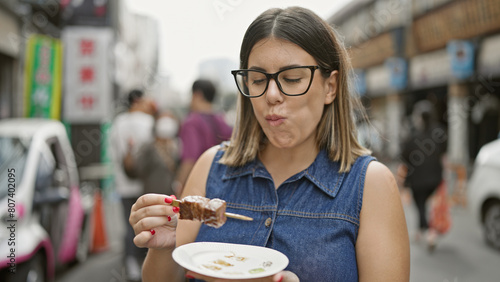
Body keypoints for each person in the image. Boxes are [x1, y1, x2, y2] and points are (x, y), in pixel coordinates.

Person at [130, 7, 410, 282]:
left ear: (330, 87)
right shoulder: (212, 167)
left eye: (291, 79)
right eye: (258, 80)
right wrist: (164, 249)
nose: (272, 95)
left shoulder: (369, 185)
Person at [109, 89, 157, 281]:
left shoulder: (117, 123)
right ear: (139, 100)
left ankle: (131, 266)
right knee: (149, 224)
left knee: (129, 225)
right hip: (146, 186)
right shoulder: (149, 122)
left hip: (123, 185)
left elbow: (113, 153)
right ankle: (148, 264)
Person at [399, 100, 447, 251]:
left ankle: (427, 232)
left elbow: (404, 158)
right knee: (433, 206)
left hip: (417, 180)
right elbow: (444, 153)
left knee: (420, 206)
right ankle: (426, 231)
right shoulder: (439, 132)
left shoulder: (412, 136)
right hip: (435, 178)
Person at [174, 79, 233, 195]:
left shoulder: (192, 122)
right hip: (225, 183)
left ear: (197, 95)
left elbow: (189, 159)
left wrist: (179, 184)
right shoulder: (222, 120)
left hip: (199, 185)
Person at [123, 111, 180, 196]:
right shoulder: (149, 147)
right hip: (152, 197)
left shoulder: (177, 146)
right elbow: (135, 171)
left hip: (173, 198)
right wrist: (129, 153)